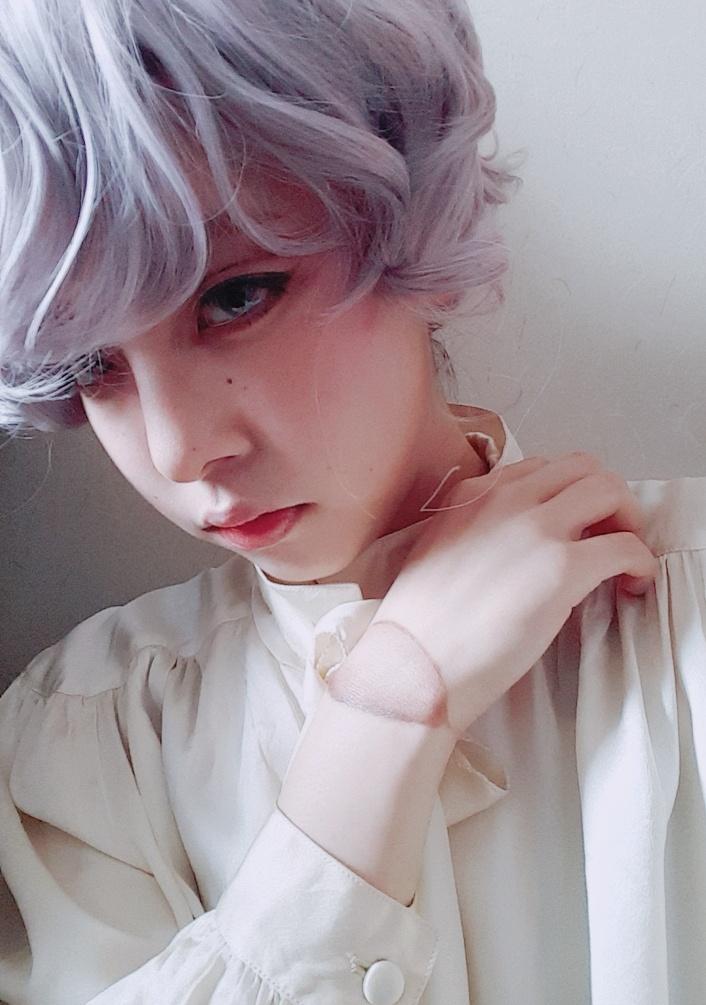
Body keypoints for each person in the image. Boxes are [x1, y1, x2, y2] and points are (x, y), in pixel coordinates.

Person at [0, 1, 702, 1003]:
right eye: (89, 365)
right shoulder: (89, 748)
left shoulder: (683, 613)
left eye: (235, 297)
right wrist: (378, 733)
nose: (178, 449)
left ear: (414, 229)